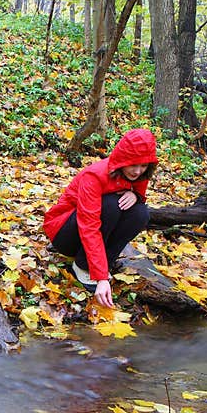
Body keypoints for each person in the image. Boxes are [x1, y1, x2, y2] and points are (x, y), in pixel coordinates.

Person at [43, 128, 159, 308]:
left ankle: (105, 262)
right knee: (111, 206)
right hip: (64, 231)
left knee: (140, 213)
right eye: (133, 165)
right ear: (123, 159)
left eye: (143, 166)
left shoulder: (140, 173)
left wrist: (136, 196)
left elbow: (139, 197)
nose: (137, 171)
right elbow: (89, 226)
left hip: (89, 231)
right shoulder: (94, 175)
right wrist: (101, 276)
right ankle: (82, 266)